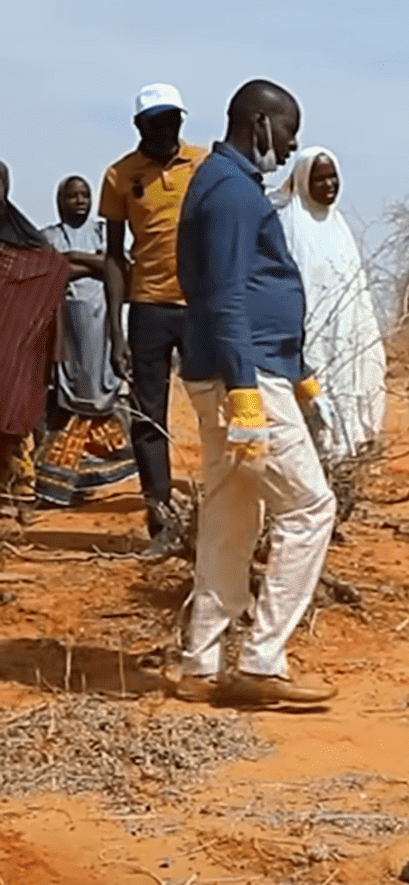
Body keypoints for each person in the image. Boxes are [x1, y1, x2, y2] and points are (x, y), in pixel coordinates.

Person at [173, 79, 338, 706]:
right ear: (260, 124)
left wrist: (299, 374)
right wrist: (248, 390)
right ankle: (263, 660)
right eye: (287, 131)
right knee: (309, 507)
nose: (292, 144)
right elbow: (224, 297)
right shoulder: (229, 193)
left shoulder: (226, 186)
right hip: (243, 376)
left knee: (231, 515)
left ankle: (202, 663)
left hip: (250, 370)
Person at [100, 83, 210, 560]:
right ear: (139, 126)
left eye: (173, 121)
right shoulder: (120, 176)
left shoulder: (205, 165)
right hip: (147, 307)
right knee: (148, 418)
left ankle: (223, 518)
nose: (167, 129)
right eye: (156, 122)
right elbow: (112, 258)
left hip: (202, 306)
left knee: (220, 411)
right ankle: (160, 519)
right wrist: (115, 331)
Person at [273, 147, 388, 498]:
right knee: (309, 424)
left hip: (347, 345)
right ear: (303, 181)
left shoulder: (339, 228)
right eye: (319, 178)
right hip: (308, 344)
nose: (328, 185)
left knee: (345, 421)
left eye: (332, 176)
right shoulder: (287, 224)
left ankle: (340, 498)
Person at [35, 176, 138, 507]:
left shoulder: (104, 234)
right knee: (61, 402)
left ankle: (93, 479)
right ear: (59, 200)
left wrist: (76, 257)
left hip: (104, 332)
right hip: (65, 336)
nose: (79, 200)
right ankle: (57, 487)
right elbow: (50, 273)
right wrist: (98, 264)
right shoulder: (47, 237)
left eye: (85, 194)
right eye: (71, 195)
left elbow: (120, 269)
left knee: (104, 397)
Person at [0, 163, 72, 538]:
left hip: (8, 349)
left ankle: (13, 495)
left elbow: (54, 269)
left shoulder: (25, 245)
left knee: (9, 410)